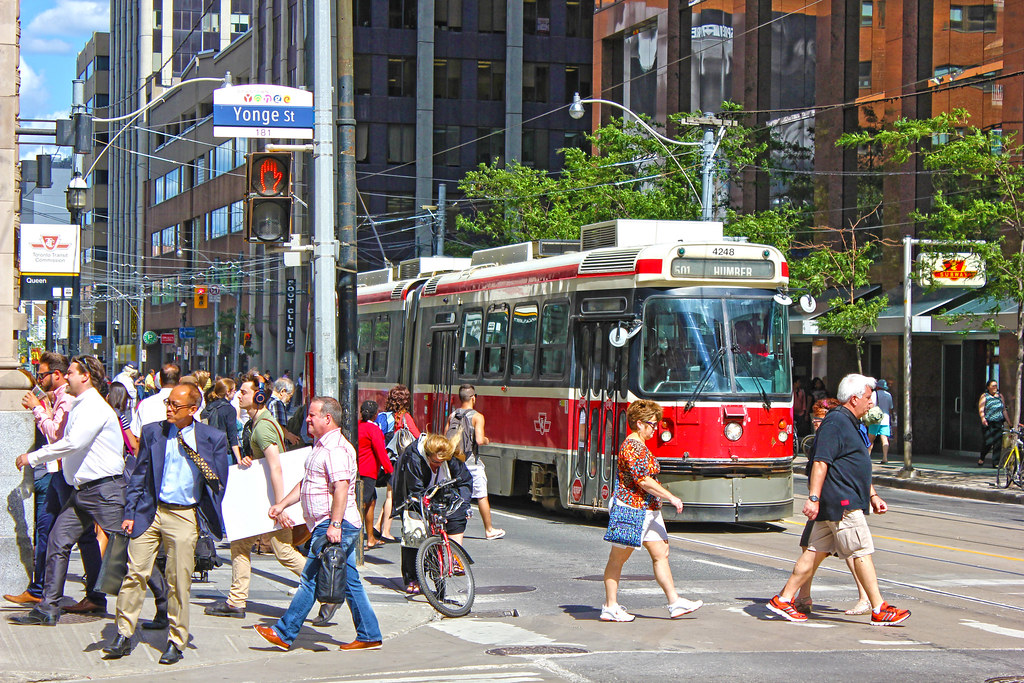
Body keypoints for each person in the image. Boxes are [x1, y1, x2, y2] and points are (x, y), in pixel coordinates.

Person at [766, 373, 911, 626]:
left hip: (840, 501)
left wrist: (872, 495)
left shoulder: (850, 422)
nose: (870, 403)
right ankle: (879, 608)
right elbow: (821, 462)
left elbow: (855, 465)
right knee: (861, 551)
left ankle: (784, 599)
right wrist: (813, 498)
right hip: (842, 503)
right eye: (867, 398)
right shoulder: (836, 423)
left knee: (813, 553)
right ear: (854, 399)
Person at [101, 383, 229, 665]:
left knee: (178, 580)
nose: (169, 409)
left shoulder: (212, 438)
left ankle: (176, 640)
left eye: (175, 405)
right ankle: (123, 633)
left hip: (184, 515)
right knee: (135, 574)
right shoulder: (153, 432)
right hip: (151, 511)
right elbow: (140, 473)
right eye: (167, 403)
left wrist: (205, 517)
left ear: (193, 410)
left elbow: (218, 483)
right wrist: (130, 511)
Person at [253, 396, 384, 652]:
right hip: (329, 523)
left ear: (328, 418)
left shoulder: (335, 449)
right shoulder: (321, 446)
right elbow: (307, 483)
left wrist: (335, 524)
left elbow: (341, 489)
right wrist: (282, 505)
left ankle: (284, 632)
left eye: (312, 415)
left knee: (310, 579)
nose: (307, 419)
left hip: (333, 524)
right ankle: (369, 634)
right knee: (350, 581)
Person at [10, 356, 127, 626]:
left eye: (71, 372)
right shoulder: (80, 404)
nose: (67, 377)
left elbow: (72, 443)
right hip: (82, 491)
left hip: (104, 489)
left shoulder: (94, 407)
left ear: (85, 376)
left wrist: (33, 457)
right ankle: (48, 608)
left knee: (128, 549)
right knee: (57, 540)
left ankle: (161, 603)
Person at [205, 374, 307, 618]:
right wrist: (250, 460)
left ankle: (324, 583)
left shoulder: (262, 428)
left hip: (270, 499)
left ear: (259, 398)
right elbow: (265, 462)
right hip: (262, 497)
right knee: (240, 545)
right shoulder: (257, 424)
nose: (239, 395)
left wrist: (280, 506)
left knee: (283, 551)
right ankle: (236, 601)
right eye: (239, 391)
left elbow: (276, 467)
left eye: (244, 392)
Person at [4, 352, 98, 609]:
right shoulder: (59, 399)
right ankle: (91, 595)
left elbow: (58, 438)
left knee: (52, 533)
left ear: (56, 375)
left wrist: (37, 409)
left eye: (43, 373)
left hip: (64, 475)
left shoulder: (67, 400)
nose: (39, 378)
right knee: (78, 535)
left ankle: (47, 593)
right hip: (63, 474)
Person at [600, 399, 703, 622]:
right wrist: (671, 496)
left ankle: (674, 602)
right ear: (639, 423)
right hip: (631, 509)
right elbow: (644, 481)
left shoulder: (640, 445)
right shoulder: (632, 446)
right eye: (652, 424)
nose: (655, 429)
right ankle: (610, 606)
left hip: (647, 509)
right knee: (617, 559)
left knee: (661, 554)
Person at [792, 397, 871, 616]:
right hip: (825, 504)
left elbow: (854, 468)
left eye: (820, 418)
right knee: (811, 549)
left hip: (835, 503)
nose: (816, 423)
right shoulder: (824, 436)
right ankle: (801, 597)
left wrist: (814, 498)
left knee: (853, 552)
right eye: (814, 418)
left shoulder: (836, 432)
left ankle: (868, 599)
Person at [391, 433, 473, 595]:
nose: (438, 465)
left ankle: (455, 557)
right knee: (415, 533)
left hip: (440, 490)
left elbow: (464, 480)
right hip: (413, 493)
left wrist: (464, 504)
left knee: (457, 515)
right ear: (427, 455)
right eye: (435, 462)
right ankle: (412, 577)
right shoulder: (414, 458)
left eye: (441, 462)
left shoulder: (448, 458)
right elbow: (415, 489)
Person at [447, 384, 504, 540]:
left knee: (454, 495)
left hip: (454, 463)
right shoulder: (478, 417)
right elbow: (479, 440)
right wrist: (487, 440)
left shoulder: (452, 416)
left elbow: (445, 437)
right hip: (472, 463)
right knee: (482, 496)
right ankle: (489, 530)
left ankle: (449, 526)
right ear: (473, 398)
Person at [376, 385, 421, 541]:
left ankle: (377, 526)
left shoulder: (383, 416)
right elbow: (417, 436)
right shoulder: (405, 417)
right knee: (391, 497)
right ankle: (385, 531)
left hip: (386, 458)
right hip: (398, 461)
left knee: (391, 494)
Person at [357, 400, 392, 550]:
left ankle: (370, 537)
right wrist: (390, 469)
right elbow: (381, 451)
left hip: (358, 469)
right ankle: (358, 540)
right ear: (375, 414)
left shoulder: (357, 426)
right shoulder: (374, 430)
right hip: (369, 471)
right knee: (363, 504)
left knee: (371, 501)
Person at [132, 364, 181, 438]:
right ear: (180, 381)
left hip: (151, 446)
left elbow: (136, 434)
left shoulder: (145, 404)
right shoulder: (187, 404)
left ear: (160, 381)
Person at [201, 377, 242, 464]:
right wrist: (239, 458)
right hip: (224, 452)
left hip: (209, 452)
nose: (235, 393)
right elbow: (232, 435)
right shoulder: (229, 409)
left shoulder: (208, 408)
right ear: (228, 392)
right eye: (234, 390)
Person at [978, 379, 1010, 467]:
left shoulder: (1000, 396)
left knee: (998, 443)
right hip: (988, 422)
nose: (995, 387)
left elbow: (1003, 410)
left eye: (996, 385)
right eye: (993, 386)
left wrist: (1009, 422)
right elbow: (981, 409)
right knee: (988, 442)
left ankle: (995, 463)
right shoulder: (985, 396)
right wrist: (983, 419)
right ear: (988, 387)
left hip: (998, 422)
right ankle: (982, 457)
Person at [869, 379, 895, 465]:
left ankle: (867, 456)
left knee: (870, 439)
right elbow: (890, 408)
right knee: (885, 439)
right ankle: (885, 458)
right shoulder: (889, 395)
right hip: (885, 420)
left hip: (875, 420)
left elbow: (871, 405)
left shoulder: (874, 394)